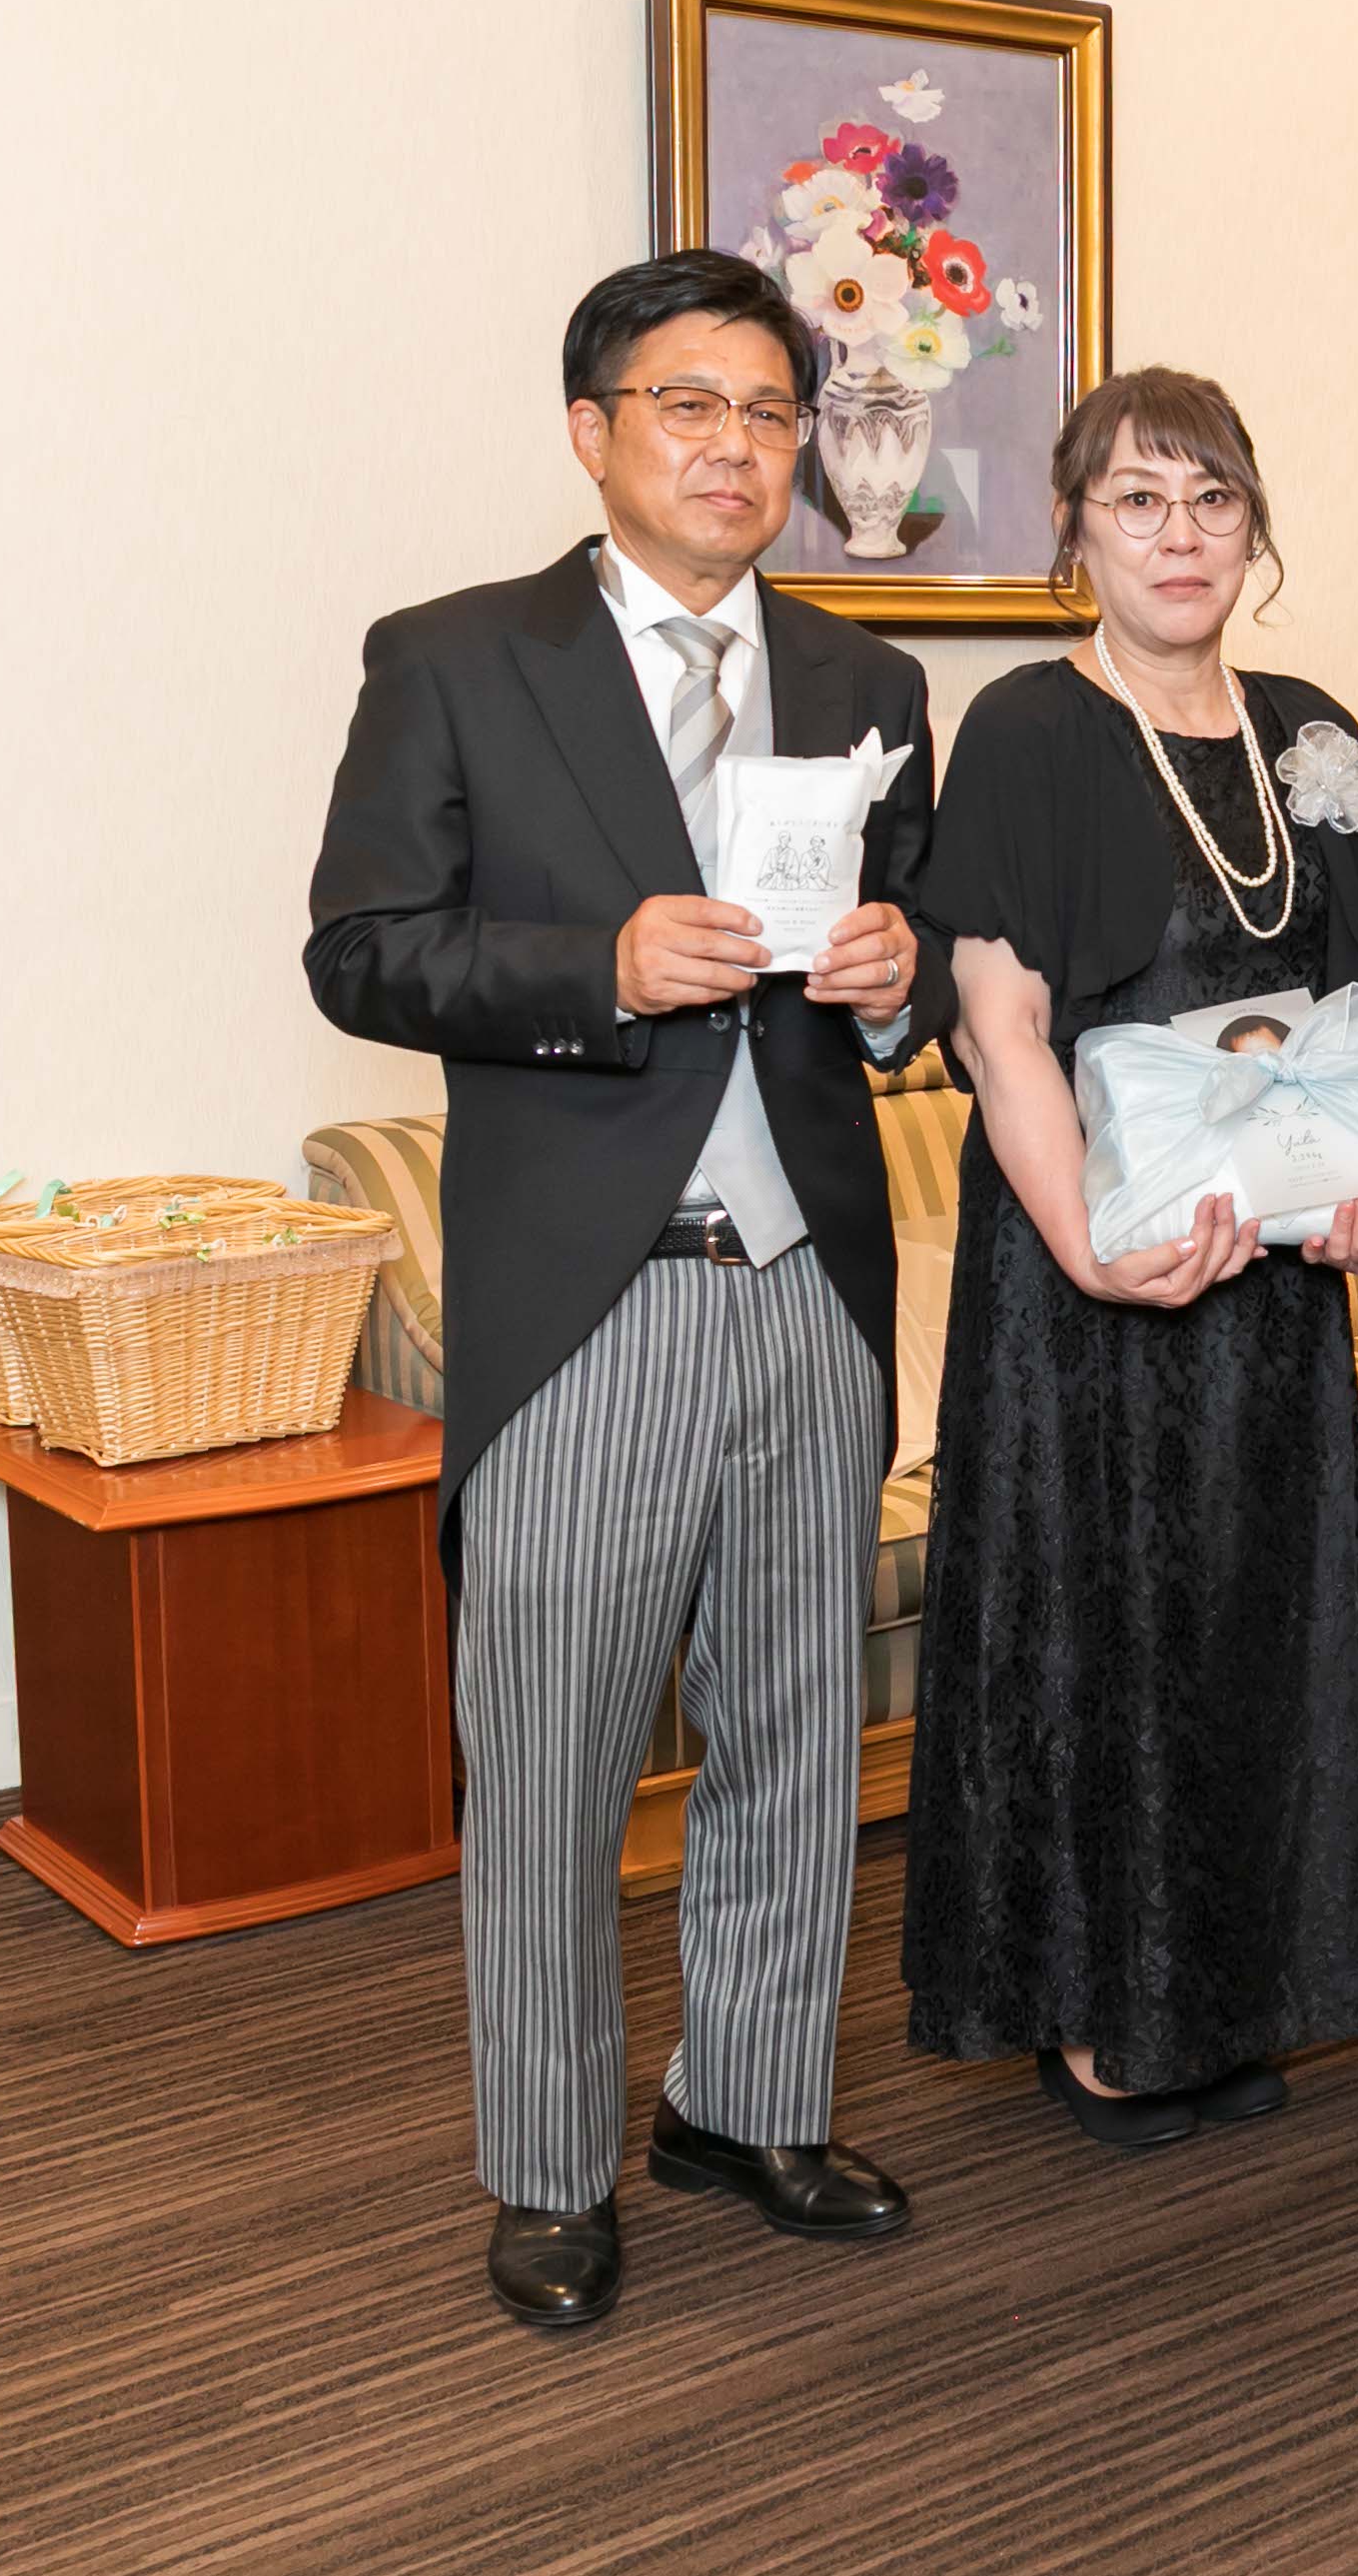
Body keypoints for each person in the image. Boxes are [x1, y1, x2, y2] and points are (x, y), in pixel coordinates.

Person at [307, 249, 951, 2328]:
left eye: (768, 412)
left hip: (809, 1291)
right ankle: (549, 2162)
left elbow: (910, 957)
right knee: (556, 1764)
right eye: (690, 405)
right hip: (588, 1303)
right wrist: (594, 969)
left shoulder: (865, 681)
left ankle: (744, 2106)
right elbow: (361, 949)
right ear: (593, 432)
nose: (734, 448)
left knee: (798, 1730)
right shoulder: (455, 659)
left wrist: (896, 984)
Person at [899, 369, 1358, 2150]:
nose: (1179, 535)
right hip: (1088, 1282)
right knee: (1106, 1631)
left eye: (1211, 499)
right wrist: (1093, 1248)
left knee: (1259, 1621)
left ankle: (1239, 1982)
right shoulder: (1030, 730)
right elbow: (1000, 1025)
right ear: (1076, 536)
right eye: (1138, 500)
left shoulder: (1312, 731)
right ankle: (1107, 2009)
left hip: (1268, 1277)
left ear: (1253, 526)